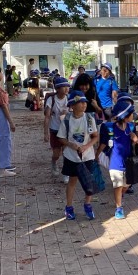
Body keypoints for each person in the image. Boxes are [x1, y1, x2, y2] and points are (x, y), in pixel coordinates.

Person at [57, 91, 99, 221]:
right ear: (72, 105)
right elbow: (61, 138)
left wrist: (86, 146)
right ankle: (69, 207)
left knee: (89, 181)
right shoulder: (67, 120)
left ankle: (88, 205)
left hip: (87, 156)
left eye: (84, 102)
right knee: (72, 181)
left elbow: (95, 136)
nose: (84, 105)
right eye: (80, 102)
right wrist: (71, 144)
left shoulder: (89, 119)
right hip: (71, 156)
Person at [96, 100, 138, 220]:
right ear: (124, 116)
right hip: (115, 163)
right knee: (118, 185)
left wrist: (135, 139)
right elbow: (103, 144)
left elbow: (133, 144)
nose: (133, 115)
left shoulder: (130, 128)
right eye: (131, 114)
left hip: (128, 163)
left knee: (126, 185)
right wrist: (96, 155)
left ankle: (120, 195)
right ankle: (119, 208)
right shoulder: (111, 129)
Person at [44, 77, 71, 181]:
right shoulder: (51, 99)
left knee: (66, 152)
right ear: (58, 88)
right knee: (56, 154)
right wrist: (45, 133)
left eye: (67, 86)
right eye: (64, 87)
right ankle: (54, 162)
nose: (66, 89)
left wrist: (68, 112)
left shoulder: (69, 98)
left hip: (67, 130)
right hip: (55, 130)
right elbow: (47, 117)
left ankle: (66, 173)